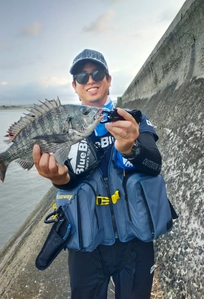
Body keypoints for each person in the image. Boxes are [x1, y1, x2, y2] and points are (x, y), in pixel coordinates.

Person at [32, 49, 162, 299]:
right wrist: (59, 179)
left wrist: (132, 148)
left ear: (109, 79)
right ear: (75, 85)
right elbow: (69, 179)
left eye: (98, 73)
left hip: (135, 241)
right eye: (82, 76)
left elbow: (155, 164)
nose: (90, 80)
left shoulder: (132, 119)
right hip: (85, 243)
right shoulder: (65, 129)